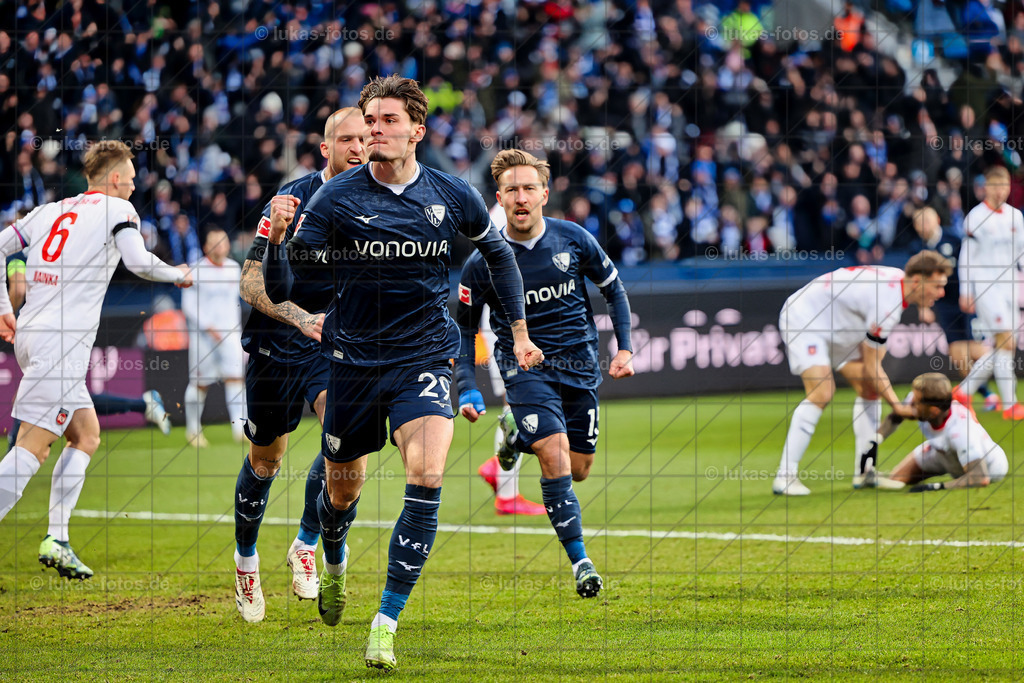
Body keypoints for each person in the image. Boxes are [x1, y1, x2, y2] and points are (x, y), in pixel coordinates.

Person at [262, 75, 542, 671]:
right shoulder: (334, 200)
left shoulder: (452, 195)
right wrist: (278, 243)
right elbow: (290, 287)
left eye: (388, 120)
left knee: (428, 471)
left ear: (417, 129)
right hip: (353, 364)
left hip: (423, 358)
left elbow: (498, 254)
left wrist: (517, 330)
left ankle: (385, 622)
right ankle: (331, 551)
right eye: (370, 121)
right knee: (343, 490)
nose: (375, 131)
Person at [0, 140, 191, 579]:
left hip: (32, 336)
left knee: (85, 434)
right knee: (32, 446)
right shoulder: (118, 212)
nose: (135, 183)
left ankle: (58, 538)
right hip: (61, 346)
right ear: (114, 178)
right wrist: (177, 273)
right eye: (131, 175)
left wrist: (5, 310)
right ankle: (55, 536)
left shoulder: (50, 210)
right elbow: (139, 262)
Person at [456, 149, 635, 596]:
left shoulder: (572, 238)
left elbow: (614, 290)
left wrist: (625, 348)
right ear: (500, 197)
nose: (520, 197)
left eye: (528, 188)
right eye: (511, 190)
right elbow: (460, 331)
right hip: (526, 369)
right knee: (554, 455)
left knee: (579, 469)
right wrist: (466, 386)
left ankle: (515, 434)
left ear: (544, 193)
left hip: (580, 367)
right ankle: (582, 562)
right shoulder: (483, 262)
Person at [233, 107, 367, 623]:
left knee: (347, 439)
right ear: (325, 148)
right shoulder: (290, 201)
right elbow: (249, 283)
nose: (360, 147)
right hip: (276, 346)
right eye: (348, 139)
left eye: (365, 139)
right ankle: (246, 561)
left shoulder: (376, 201)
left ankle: (307, 543)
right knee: (265, 462)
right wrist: (297, 312)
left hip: (331, 347)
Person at [774, 251, 952, 496]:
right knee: (822, 393)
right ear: (917, 281)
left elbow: (872, 369)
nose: (941, 293)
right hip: (805, 319)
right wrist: (897, 406)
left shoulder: (893, 288)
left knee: (870, 388)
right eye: (937, 286)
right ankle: (785, 477)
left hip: (837, 325)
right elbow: (872, 366)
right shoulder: (887, 303)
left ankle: (865, 471)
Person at [4, 253, 173, 447]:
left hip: (46, 336)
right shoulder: (58, 247)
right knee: (69, 397)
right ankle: (143, 404)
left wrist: (9, 316)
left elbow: (18, 289)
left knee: (32, 397)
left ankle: (13, 467)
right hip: (67, 329)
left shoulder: (18, 256)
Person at [910, 207, 998, 411]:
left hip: (966, 300)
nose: (923, 226)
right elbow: (917, 280)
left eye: (926, 220)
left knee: (976, 348)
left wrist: (972, 293)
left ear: (937, 219)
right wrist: (924, 306)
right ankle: (987, 394)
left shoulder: (954, 239)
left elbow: (971, 264)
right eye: (918, 222)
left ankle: (1000, 358)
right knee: (957, 354)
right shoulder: (916, 247)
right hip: (943, 304)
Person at [955, 165, 1024, 420]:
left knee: (1006, 346)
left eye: (1005, 186)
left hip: (1009, 286)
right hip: (986, 287)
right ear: (987, 188)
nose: (1001, 191)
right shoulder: (975, 217)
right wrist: (966, 290)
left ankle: (964, 391)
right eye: (996, 186)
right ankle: (1010, 405)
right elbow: (966, 257)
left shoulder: (1016, 216)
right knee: (1005, 340)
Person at [863, 373, 1007, 491]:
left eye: (916, 401)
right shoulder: (927, 408)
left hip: (991, 468)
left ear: (933, 411)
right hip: (941, 451)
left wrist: (936, 487)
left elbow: (979, 477)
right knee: (896, 479)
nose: (911, 403)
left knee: (968, 476)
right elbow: (897, 415)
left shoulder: (961, 430)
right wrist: (875, 440)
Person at [472, 305, 547, 516]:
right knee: (517, 403)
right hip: (506, 317)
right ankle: (507, 495)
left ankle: (498, 467)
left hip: (521, 315)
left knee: (520, 402)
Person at [181, 228, 244, 446]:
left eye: (223, 242)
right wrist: (208, 327)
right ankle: (193, 430)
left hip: (230, 334)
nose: (220, 246)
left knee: (235, 378)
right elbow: (188, 305)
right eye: (215, 242)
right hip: (203, 338)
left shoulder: (234, 268)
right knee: (200, 383)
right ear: (206, 247)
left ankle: (240, 429)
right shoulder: (196, 270)